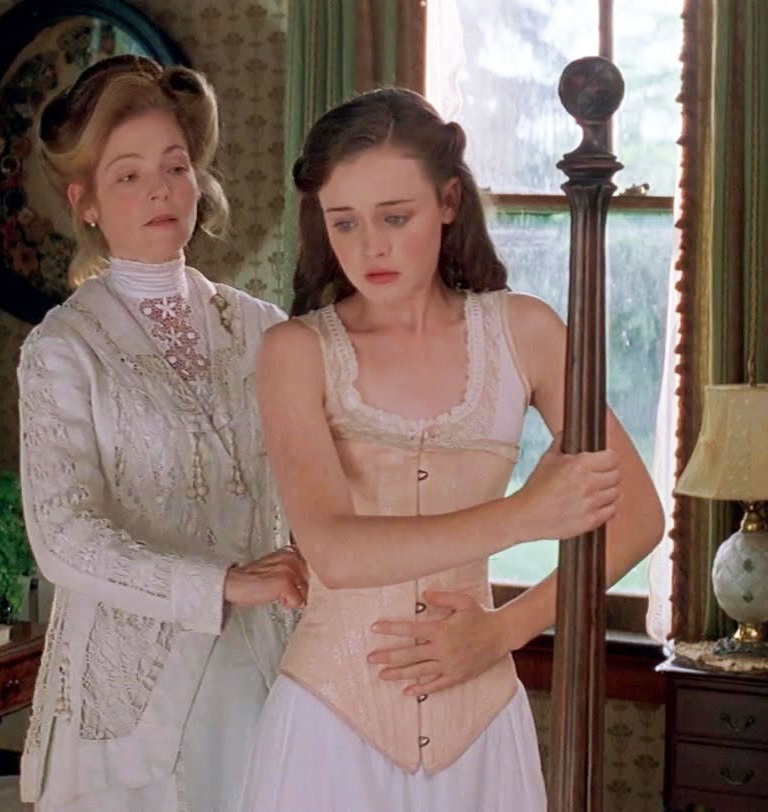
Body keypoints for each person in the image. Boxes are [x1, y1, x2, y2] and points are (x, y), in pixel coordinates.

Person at [239, 87, 664, 811]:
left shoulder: (525, 333)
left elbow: (639, 518)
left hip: (481, 722)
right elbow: (334, 553)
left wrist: (504, 631)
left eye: (395, 216)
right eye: (344, 222)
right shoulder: (295, 351)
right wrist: (526, 515)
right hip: (328, 725)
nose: (370, 247)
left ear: (447, 201)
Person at [17, 55, 308, 812]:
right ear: (84, 202)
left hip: (266, 677)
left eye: (175, 166)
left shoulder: (264, 330)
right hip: (127, 712)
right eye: (129, 174)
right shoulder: (63, 349)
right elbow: (63, 537)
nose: (160, 189)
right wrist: (222, 582)